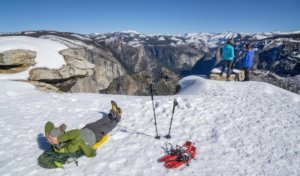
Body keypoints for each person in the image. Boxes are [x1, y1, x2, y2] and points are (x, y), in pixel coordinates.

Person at [38, 100, 122, 168]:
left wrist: (49, 134)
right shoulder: (69, 148)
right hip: (94, 136)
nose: (62, 131)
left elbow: (49, 123)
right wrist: (58, 139)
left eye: (49, 137)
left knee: (102, 121)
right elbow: (76, 133)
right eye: (49, 138)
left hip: (87, 129)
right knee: (108, 126)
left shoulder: (59, 140)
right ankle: (118, 116)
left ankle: (113, 112)